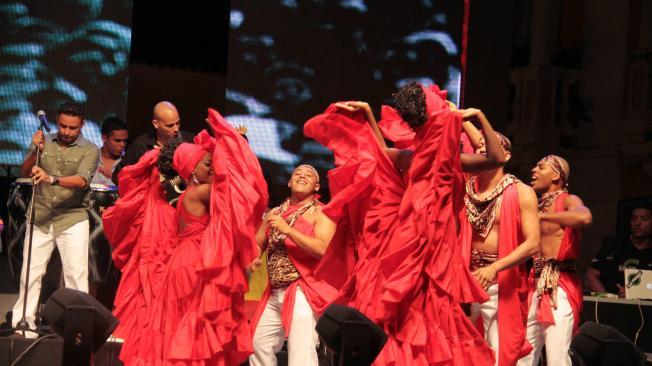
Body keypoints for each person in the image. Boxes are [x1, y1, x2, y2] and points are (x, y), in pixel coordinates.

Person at [306, 83, 502, 365]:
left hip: (436, 241)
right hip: (410, 238)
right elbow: (379, 153)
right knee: (406, 303)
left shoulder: (451, 160)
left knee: (429, 302)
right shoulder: (411, 157)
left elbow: (497, 158)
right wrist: (368, 115)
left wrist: (479, 116)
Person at [103, 108, 268, 365]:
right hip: (193, 263)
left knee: (182, 326)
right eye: (206, 164)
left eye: (212, 163)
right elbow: (240, 189)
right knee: (194, 325)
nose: (213, 167)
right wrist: (232, 145)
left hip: (182, 261)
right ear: (191, 169)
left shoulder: (189, 193)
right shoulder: (200, 192)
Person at [12, 102, 99, 335]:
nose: (67, 132)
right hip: (40, 215)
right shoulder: (44, 140)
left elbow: (82, 181)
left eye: (73, 127)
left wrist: (52, 178)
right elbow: (24, 171)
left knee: (76, 276)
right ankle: (24, 327)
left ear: (82, 125)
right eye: (62, 126)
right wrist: (36, 150)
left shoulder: (90, 149)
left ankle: (78, 331)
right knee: (30, 274)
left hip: (72, 217)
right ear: (57, 122)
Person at [460, 132, 540, 366]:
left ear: (504, 155)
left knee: (497, 353)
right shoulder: (467, 188)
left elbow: (532, 243)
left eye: (489, 146)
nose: (482, 148)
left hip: (498, 281)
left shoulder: (522, 192)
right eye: (479, 146)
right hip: (465, 279)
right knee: (459, 346)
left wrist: (494, 268)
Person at [249, 165, 338, 366]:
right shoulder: (275, 213)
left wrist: (288, 230)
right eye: (297, 173)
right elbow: (258, 242)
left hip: (303, 290)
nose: (302, 175)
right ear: (289, 182)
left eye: (309, 175)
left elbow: (322, 248)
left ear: (317, 187)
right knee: (257, 344)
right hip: (274, 290)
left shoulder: (321, 213)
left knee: (301, 351)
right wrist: (255, 256)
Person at [518, 155, 592, 366]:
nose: (533, 170)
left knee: (557, 357)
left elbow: (583, 217)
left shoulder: (568, 200)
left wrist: (541, 218)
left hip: (559, 284)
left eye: (540, 167)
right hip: (535, 283)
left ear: (557, 175)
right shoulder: (534, 204)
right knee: (523, 355)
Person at [111, 101, 193, 185]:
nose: (176, 129)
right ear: (156, 124)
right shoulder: (140, 146)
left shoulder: (190, 141)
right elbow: (117, 176)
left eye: (178, 123)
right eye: (170, 125)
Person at [587, 204, 652, 296]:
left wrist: (634, 293)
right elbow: (591, 275)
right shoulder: (614, 244)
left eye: (644, 219)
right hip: (612, 305)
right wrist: (607, 299)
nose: (638, 223)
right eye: (634, 218)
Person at [92, 116, 128, 186]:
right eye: (117, 141)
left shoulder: (128, 162)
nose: (122, 144)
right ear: (104, 138)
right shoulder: (89, 157)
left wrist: (115, 177)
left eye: (125, 141)